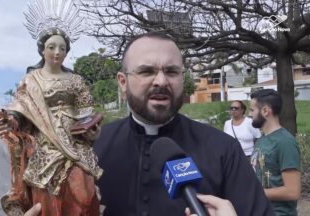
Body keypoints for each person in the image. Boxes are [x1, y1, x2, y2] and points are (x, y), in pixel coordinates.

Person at [92, 32, 274, 216]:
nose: (161, 81)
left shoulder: (223, 150)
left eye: (171, 71)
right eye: (146, 71)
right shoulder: (92, 148)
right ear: (123, 82)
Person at [0, 1, 103, 215]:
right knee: (47, 199)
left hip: (76, 146)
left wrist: (93, 132)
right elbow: (20, 111)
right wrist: (8, 120)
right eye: (52, 47)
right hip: (45, 147)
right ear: (42, 50)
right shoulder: (31, 80)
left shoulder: (76, 81)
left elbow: (86, 116)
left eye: (62, 48)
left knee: (84, 195)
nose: (57, 52)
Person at [249, 89, 301, 215]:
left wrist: (253, 192)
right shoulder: (261, 140)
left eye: (252, 110)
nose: (250, 114)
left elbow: (293, 191)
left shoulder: (285, 142)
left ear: (265, 111)